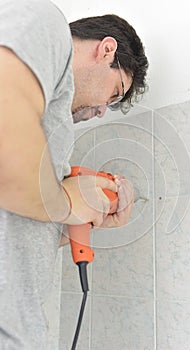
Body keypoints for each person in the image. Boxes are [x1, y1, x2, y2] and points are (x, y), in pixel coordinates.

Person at [0, 0, 149, 348]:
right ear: (106, 50)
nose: (100, 112)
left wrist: (92, 216)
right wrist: (67, 202)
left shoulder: (53, 133)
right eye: (114, 94)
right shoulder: (45, 23)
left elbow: (21, 224)